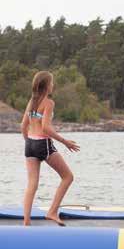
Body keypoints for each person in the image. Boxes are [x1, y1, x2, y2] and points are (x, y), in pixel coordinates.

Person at [20, 71, 80, 226]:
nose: (53, 85)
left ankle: (26, 222)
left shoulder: (31, 101)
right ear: (47, 86)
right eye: (52, 83)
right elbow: (46, 128)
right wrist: (65, 141)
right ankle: (52, 211)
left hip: (30, 145)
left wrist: (29, 142)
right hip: (43, 144)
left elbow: (23, 126)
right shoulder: (48, 103)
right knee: (68, 177)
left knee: (31, 183)